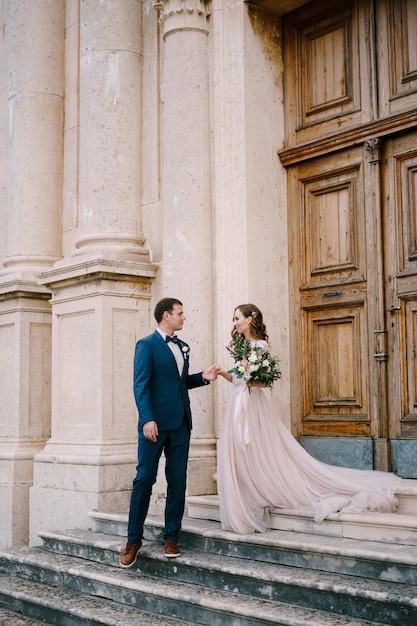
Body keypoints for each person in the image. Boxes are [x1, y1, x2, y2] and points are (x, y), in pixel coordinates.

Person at [215, 303, 401, 535]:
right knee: (240, 450)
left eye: (237, 318)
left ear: (250, 320)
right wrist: (224, 374)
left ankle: (262, 487)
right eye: (233, 319)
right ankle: (248, 490)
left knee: (257, 446)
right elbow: (239, 380)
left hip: (252, 405)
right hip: (238, 403)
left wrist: (248, 379)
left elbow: (263, 383)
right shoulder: (242, 346)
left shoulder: (261, 346)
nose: (234, 323)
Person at [120, 297, 218, 567]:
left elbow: (179, 383)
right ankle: (133, 540)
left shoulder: (181, 346)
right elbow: (140, 386)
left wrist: (202, 377)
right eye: (180, 313)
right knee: (144, 479)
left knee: (177, 480)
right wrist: (147, 419)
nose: (184, 317)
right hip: (154, 426)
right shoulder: (146, 345)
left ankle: (171, 536)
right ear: (166, 315)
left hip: (181, 424)